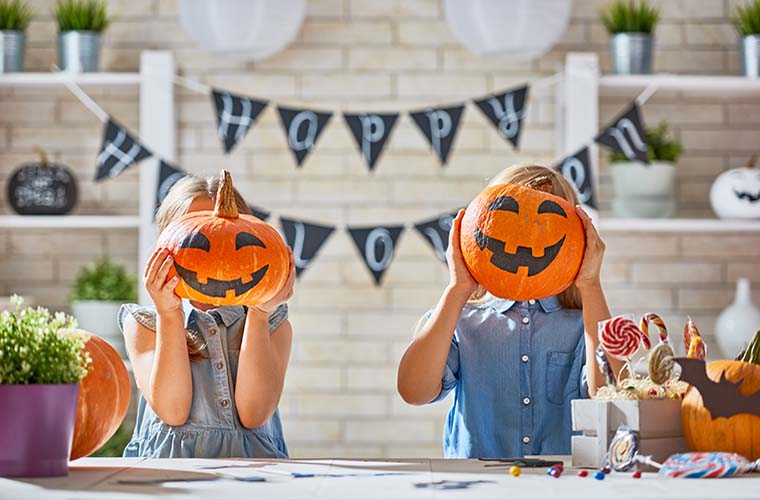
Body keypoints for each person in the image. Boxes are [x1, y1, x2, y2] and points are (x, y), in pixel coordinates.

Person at [397, 164, 623, 458]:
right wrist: (457, 288)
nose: (526, 237)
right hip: (478, 488)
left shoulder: (586, 325)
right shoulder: (463, 322)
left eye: (547, 225)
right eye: (508, 219)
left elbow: (612, 399)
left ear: (579, 239)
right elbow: (413, 391)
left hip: (561, 486)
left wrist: (591, 285)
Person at [117, 175, 295, 458]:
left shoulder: (273, 324)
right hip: (170, 479)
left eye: (229, 237)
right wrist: (169, 312)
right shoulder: (144, 324)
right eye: (197, 239)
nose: (218, 253)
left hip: (256, 476)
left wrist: (260, 313)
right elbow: (173, 410)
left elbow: (254, 413)